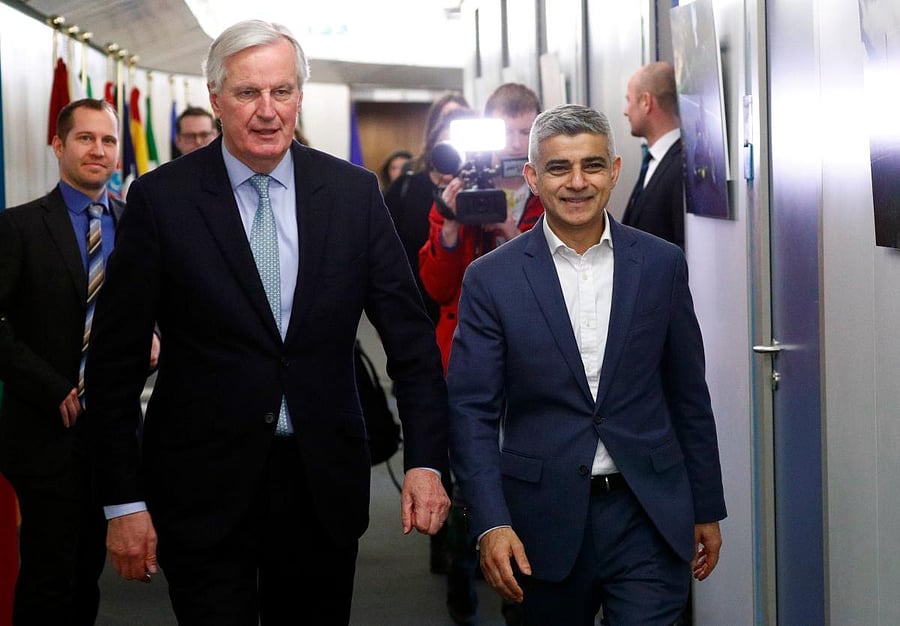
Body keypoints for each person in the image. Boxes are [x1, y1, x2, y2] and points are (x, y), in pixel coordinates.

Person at [84, 19, 450, 625]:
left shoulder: (354, 194)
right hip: (200, 487)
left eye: (282, 91)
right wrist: (123, 500)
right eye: (248, 93)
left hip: (320, 485)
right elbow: (114, 364)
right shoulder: (161, 200)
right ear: (215, 97)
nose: (266, 110)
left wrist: (426, 461)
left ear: (300, 97)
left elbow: (410, 342)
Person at [447, 104, 726, 625]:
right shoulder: (492, 279)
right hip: (539, 521)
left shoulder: (661, 264)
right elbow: (471, 411)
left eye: (592, 166)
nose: (577, 182)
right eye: (558, 168)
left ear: (615, 171)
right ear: (532, 177)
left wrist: (705, 503)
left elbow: (688, 392)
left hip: (646, 510)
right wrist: (489, 522)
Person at [0, 98, 151, 624]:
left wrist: (156, 336)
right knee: (49, 574)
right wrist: (49, 386)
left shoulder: (138, 226)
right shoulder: (17, 227)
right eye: (86, 138)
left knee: (87, 573)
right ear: (59, 146)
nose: (99, 150)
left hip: (113, 432)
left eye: (108, 141)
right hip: (45, 430)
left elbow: (161, 307)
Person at [418, 82, 543, 625]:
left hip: (534, 359)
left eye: (526, 130)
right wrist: (450, 225)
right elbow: (437, 286)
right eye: (508, 130)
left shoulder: (549, 192)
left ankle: (527, 573)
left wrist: (511, 230)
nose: (516, 141)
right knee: (468, 471)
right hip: (466, 354)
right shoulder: (458, 190)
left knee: (526, 469)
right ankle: (462, 583)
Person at [622, 61, 686, 249]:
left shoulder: (681, 166)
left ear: (646, 102)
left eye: (629, 100)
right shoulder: (653, 162)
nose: (625, 111)